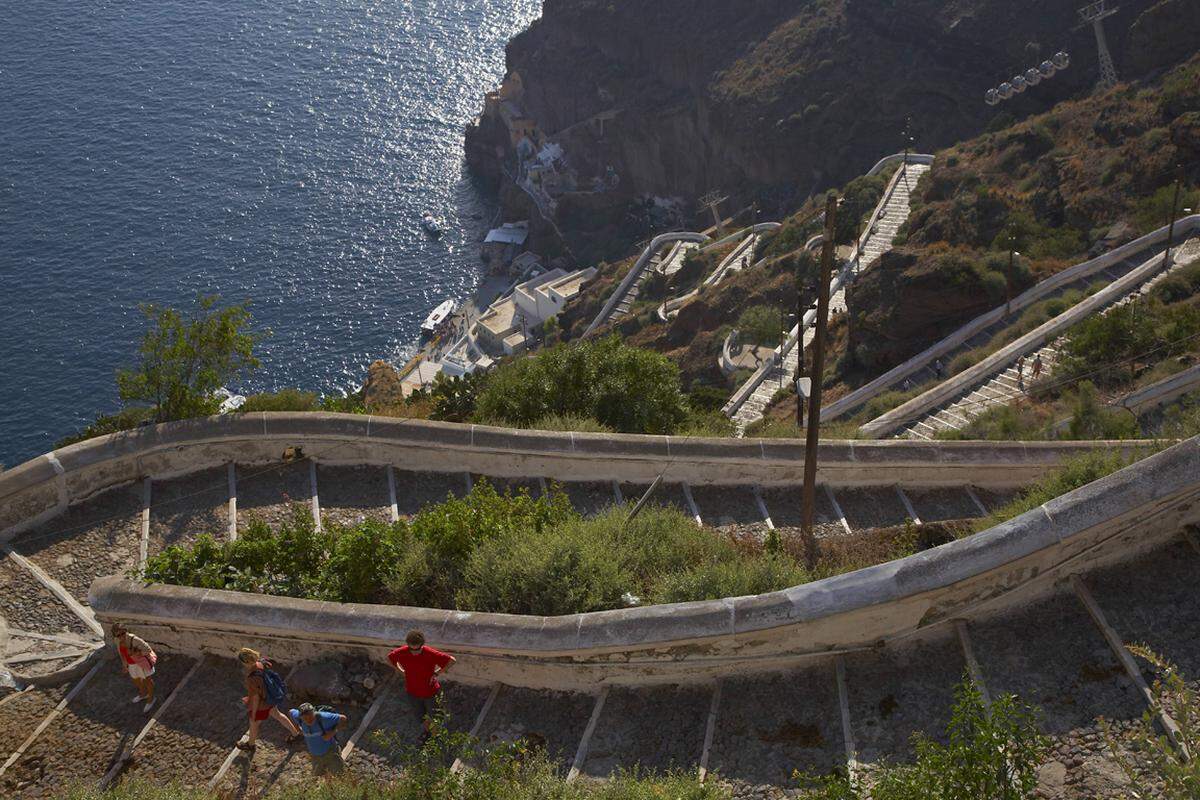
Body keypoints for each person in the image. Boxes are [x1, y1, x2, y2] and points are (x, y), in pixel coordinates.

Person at [387, 630, 455, 738]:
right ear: (408, 645)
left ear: (422, 645)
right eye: (411, 649)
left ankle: (436, 737)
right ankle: (429, 734)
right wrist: (401, 671)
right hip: (413, 693)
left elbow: (451, 660)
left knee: (435, 717)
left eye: (417, 649)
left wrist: (437, 673)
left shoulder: (430, 653)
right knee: (421, 717)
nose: (414, 652)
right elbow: (390, 658)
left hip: (430, 692)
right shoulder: (402, 652)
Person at [235, 647, 301, 752]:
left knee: (254, 722)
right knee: (278, 715)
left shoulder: (252, 678)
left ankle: (251, 745)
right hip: (270, 697)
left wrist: (254, 712)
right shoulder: (262, 663)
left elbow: (256, 698)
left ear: (246, 662)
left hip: (263, 703)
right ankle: (295, 733)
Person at [289, 702, 348, 780]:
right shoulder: (298, 717)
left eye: (311, 716)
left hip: (330, 752)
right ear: (301, 717)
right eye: (305, 718)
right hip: (315, 755)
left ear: (314, 712)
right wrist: (297, 728)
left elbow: (343, 719)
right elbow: (290, 712)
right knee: (323, 773)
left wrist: (332, 733)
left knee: (340, 775)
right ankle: (329, 785)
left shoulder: (324, 718)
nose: (309, 720)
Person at [112, 623, 156, 712]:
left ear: (126, 631)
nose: (121, 636)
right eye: (118, 635)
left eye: (122, 633)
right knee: (136, 680)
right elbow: (122, 654)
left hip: (141, 663)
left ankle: (151, 699)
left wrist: (135, 653)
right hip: (131, 664)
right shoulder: (117, 641)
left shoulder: (134, 639)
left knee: (147, 680)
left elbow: (148, 650)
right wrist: (125, 665)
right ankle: (143, 694)